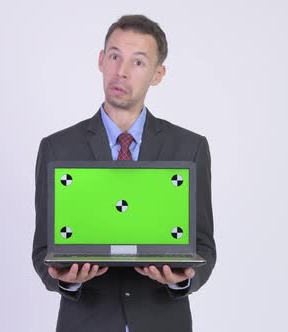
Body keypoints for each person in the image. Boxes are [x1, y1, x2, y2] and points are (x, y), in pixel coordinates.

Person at [32, 14, 217, 332]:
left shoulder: (190, 148)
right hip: (86, 323)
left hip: (163, 322)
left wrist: (180, 282)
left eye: (139, 62)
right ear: (101, 61)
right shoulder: (57, 148)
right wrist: (68, 282)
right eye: (115, 56)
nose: (122, 71)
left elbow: (203, 246)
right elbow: (42, 251)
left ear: (158, 74)